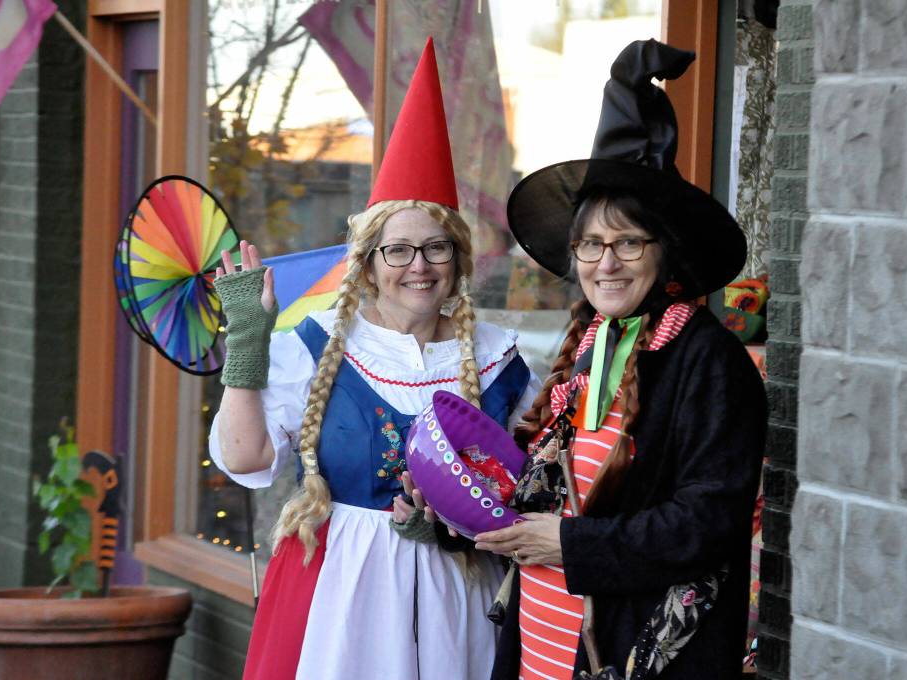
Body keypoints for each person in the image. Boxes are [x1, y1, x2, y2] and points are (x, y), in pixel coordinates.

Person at [209, 39, 539, 680]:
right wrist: (246, 346)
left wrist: (453, 529)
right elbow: (246, 458)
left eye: (437, 248)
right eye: (398, 251)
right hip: (340, 594)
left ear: (459, 259)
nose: (419, 266)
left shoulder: (503, 362)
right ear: (367, 264)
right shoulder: (315, 346)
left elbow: (532, 494)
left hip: (461, 591)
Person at [475, 40, 767, 680]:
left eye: (628, 243)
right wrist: (451, 512)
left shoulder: (708, 362)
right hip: (544, 646)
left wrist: (570, 544)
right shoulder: (586, 347)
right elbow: (549, 496)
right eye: (591, 244)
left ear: (665, 251)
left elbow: (708, 522)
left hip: (638, 653)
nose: (605, 264)